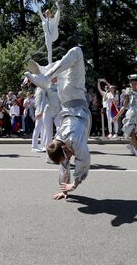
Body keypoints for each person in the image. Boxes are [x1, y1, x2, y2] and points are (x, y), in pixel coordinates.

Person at [25, 46, 91, 200]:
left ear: (62, 146)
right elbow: (64, 164)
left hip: (73, 95)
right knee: (64, 69)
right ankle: (44, 73)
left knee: (77, 52)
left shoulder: (72, 141)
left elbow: (84, 162)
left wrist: (73, 185)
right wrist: (64, 190)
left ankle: (45, 75)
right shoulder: (60, 141)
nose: (69, 156)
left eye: (66, 154)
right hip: (66, 98)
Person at [36, 0, 61, 65]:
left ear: (50, 14)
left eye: (49, 13)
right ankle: (50, 63)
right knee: (49, 51)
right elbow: (40, 12)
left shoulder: (52, 20)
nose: (47, 14)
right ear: (45, 14)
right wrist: (37, 5)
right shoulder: (43, 20)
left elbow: (56, 18)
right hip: (47, 37)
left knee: (55, 23)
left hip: (53, 34)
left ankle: (58, 9)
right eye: (46, 13)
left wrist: (58, 8)